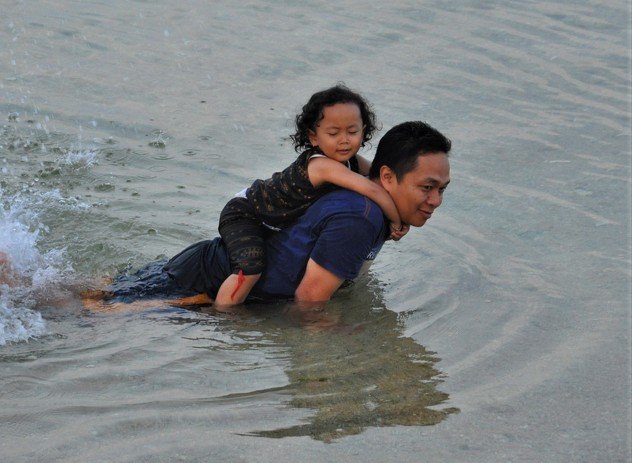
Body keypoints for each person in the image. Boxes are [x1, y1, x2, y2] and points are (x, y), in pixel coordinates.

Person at [151, 120, 452, 308]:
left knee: (108, 296)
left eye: (442, 189)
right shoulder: (361, 217)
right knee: (108, 315)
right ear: (386, 177)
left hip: (203, 266)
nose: (436, 200)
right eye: (427, 187)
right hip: (198, 286)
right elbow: (309, 303)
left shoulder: (369, 209)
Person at [216, 85, 408, 306]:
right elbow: (373, 190)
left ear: (364, 130)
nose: (344, 140)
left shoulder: (351, 161)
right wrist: (396, 220)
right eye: (333, 133)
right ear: (313, 137)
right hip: (245, 213)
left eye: (353, 132)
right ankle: (223, 315)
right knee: (250, 269)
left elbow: (379, 178)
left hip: (272, 221)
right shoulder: (320, 165)